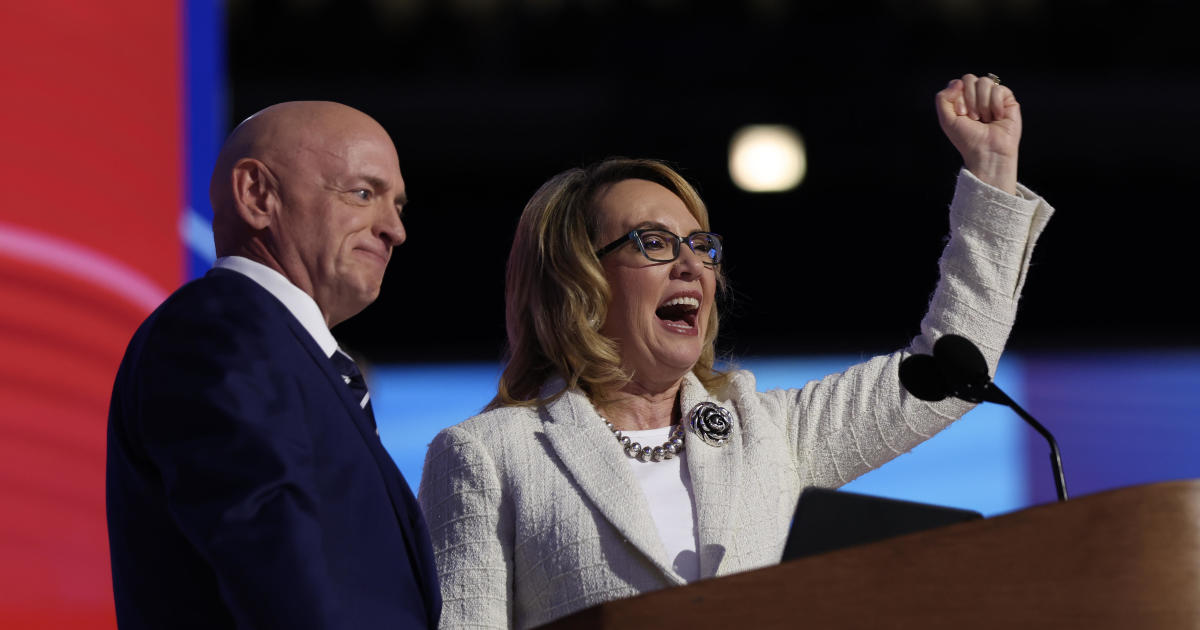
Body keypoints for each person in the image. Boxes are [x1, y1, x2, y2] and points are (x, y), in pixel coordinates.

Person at [417, 73, 1054, 628]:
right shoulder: (489, 456)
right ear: (577, 279)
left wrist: (992, 174)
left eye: (702, 245)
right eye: (655, 244)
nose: (692, 265)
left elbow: (950, 370)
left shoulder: (767, 433)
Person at [106, 101, 440, 629]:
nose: (395, 230)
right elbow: (275, 564)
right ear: (258, 195)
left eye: (398, 205)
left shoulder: (295, 356)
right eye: (363, 193)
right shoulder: (217, 329)